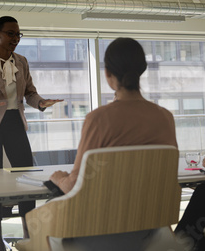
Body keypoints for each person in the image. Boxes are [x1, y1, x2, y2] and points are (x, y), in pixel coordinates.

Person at [0, 15, 62, 251]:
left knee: (26, 180)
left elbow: (30, 93)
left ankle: (28, 235)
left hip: (14, 123)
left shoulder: (22, 61)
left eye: (18, 34)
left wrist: (41, 103)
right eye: (11, 33)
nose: (15, 38)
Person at [50, 37, 178, 194]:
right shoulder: (165, 118)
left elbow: (75, 186)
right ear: (142, 70)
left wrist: (59, 179)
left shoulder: (98, 119)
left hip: (105, 216)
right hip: (155, 216)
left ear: (107, 73)